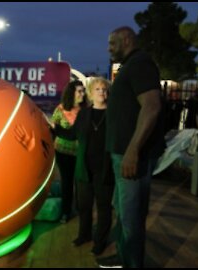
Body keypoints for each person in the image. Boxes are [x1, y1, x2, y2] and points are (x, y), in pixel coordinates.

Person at [99, 26, 165, 268]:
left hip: (131, 158)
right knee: (124, 212)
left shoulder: (140, 63)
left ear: (126, 40)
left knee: (132, 217)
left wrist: (133, 150)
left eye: (112, 43)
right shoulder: (131, 65)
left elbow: (151, 107)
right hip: (122, 156)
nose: (108, 48)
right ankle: (123, 256)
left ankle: (132, 263)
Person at [51, 77, 115, 256]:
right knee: (84, 206)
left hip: (105, 169)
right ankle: (84, 235)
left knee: (103, 208)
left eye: (104, 89)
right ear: (91, 93)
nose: (102, 92)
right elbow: (72, 135)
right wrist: (54, 129)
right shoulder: (84, 114)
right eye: (98, 89)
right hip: (84, 168)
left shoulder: (113, 114)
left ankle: (100, 241)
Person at [50, 80, 86, 223]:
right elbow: (54, 129)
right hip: (62, 153)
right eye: (79, 91)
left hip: (81, 153)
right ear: (72, 93)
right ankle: (66, 211)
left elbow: (74, 133)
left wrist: (61, 131)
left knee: (80, 183)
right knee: (66, 182)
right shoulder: (60, 110)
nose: (82, 94)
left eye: (83, 91)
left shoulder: (86, 111)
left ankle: (80, 210)